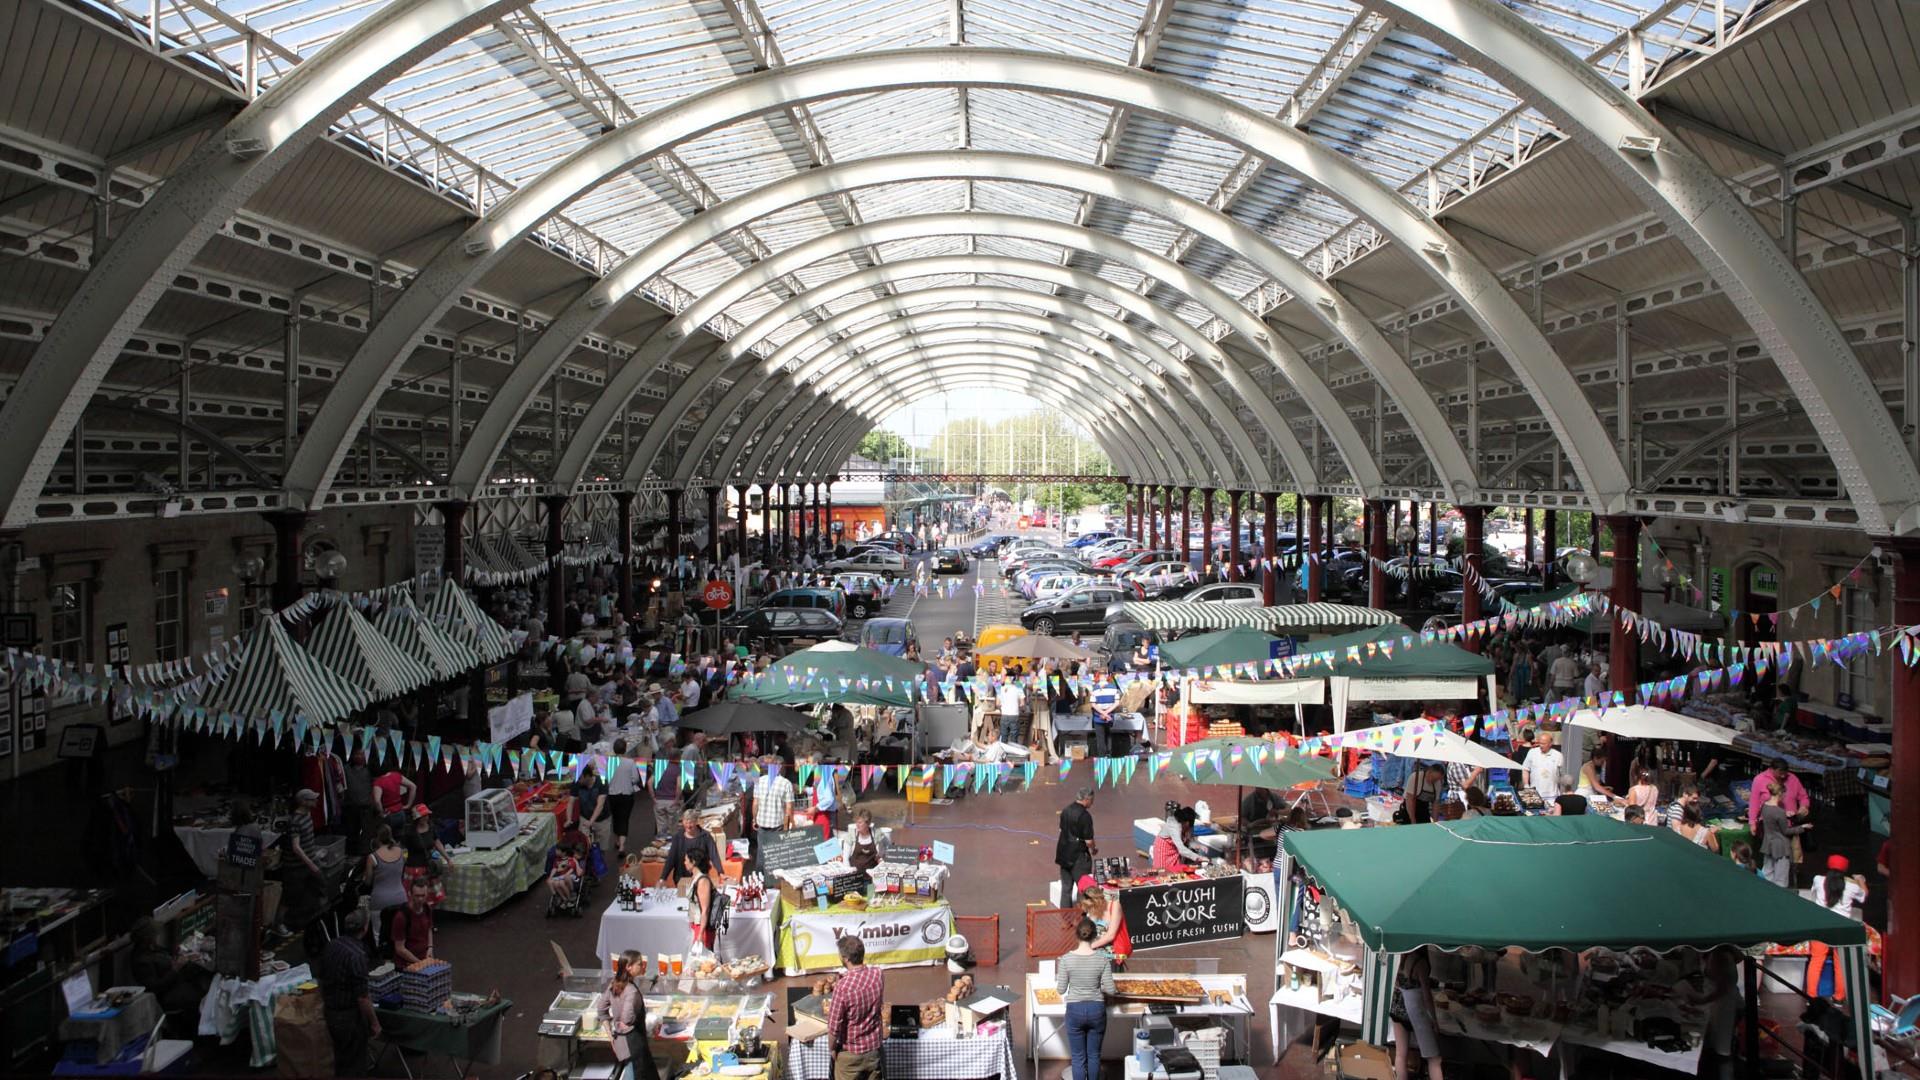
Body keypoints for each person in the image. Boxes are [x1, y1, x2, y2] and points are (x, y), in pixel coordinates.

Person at [315, 909, 378, 1076]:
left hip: (331, 1012)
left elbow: (320, 978)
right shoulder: (357, 955)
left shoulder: (332, 945)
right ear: (365, 929)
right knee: (354, 1065)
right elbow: (363, 997)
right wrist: (374, 1023)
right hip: (349, 1018)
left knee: (340, 1060)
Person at [1058, 917, 1116, 1080]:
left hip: (1074, 1010)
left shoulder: (1066, 959)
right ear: (1095, 936)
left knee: (1078, 1058)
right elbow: (1110, 989)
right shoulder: (1103, 959)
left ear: (1077, 936)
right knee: (1094, 1056)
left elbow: (1061, 989)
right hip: (1097, 1010)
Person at [1807, 855, 1868, 1001]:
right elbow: (1864, 896)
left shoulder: (1818, 879)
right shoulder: (1852, 886)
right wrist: (1860, 880)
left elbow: (1812, 893)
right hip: (1842, 928)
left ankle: (1811, 997)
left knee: (1816, 960)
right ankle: (1839, 997)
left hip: (1820, 926)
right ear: (1845, 870)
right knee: (1840, 963)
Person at [828, 936, 885, 1080]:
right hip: (873, 1051)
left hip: (850, 1055)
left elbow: (834, 1027)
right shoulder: (878, 974)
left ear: (845, 958)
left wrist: (832, 1048)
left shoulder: (843, 987)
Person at [1681, 946, 1742, 1080]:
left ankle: (1725, 1076)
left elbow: (1723, 988)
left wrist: (1700, 1001)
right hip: (1717, 1004)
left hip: (1725, 1006)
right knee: (1715, 1046)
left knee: (1723, 1050)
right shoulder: (1713, 953)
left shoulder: (1721, 956)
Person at [599, 951, 659, 1080]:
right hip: (633, 1044)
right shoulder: (631, 991)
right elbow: (627, 1018)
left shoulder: (614, 984)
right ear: (628, 967)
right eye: (640, 964)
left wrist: (611, 1034)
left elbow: (601, 1010)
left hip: (622, 1043)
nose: (643, 966)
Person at [1392, 947, 1445, 1080]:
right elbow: (1427, 997)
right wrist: (1434, 1020)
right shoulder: (1421, 963)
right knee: (1434, 1059)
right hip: (1415, 1010)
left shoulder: (1400, 957)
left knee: (1400, 1055)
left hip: (1398, 1007)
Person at [363, 825, 408, 947]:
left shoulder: (372, 857)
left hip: (380, 900)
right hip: (400, 897)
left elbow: (368, 881)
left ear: (377, 838)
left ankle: (382, 956)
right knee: (401, 930)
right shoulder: (401, 852)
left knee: (378, 932)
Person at [1758, 782, 1811, 886]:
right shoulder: (1779, 811)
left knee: (1767, 874)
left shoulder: (1764, 806)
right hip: (1781, 847)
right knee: (1781, 879)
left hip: (1768, 844)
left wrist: (1785, 816)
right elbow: (1786, 831)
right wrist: (1802, 827)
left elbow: (1772, 819)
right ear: (1780, 793)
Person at [750, 757, 795, 870]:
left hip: (762, 824)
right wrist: (787, 825)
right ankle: (773, 881)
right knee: (776, 854)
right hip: (778, 825)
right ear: (780, 767)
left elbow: (755, 803)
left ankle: (759, 880)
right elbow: (789, 808)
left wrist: (754, 819)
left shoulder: (759, 781)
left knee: (761, 852)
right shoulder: (786, 783)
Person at [1746, 758, 1809, 834]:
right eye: (1780, 773)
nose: (1783, 776)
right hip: (1770, 826)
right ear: (1772, 769)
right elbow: (1754, 802)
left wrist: (1804, 806)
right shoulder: (1759, 780)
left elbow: (1803, 797)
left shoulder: (1792, 778)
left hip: (1791, 824)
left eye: (1785, 773)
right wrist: (1752, 822)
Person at [1056, 787, 1096, 905]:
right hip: (1078, 857)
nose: (1092, 803)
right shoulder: (1085, 816)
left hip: (1063, 853)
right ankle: (1080, 917)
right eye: (1092, 800)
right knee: (1083, 888)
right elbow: (1089, 841)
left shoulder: (1066, 810)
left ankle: (1066, 919)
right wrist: (1093, 849)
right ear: (1086, 799)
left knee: (1066, 889)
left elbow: (1061, 829)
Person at [662, 810, 722, 888]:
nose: (688, 826)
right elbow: (671, 858)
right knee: (682, 898)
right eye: (686, 823)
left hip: (700, 878)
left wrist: (720, 872)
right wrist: (663, 878)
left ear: (696, 822)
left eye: (691, 823)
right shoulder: (678, 837)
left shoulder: (706, 836)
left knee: (699, 898)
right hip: (682, 878)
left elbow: (714, 855)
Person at [390, 878, 435, 966]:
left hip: (424, 958)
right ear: (410, 894)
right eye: (417, 896)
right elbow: (399, 949)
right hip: (407, 963)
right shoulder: (401, 917)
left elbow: (429, 928)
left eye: (423, 895)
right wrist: (419, 963)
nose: (420, 899)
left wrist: (430, 947)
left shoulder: (427, 908)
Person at [606, 739, 639, 857]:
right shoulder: (630, 762)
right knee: (624, 819)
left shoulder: (609, 762)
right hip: (627, 793)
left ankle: (616, 840)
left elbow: (606, 778)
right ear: (625, 749)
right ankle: (622, 846)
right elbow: (635, 779)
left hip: (612, 794)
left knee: (615, 817)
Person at [1151, 803, 1204, 870]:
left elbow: (1188, 841)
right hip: (1164, 848)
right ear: (1187, 823)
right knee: (1163, 871)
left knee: (1175, 871)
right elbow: (1182, 849)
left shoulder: (1185, 826)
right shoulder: (1174, 826)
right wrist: (1199, 858)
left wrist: (1198, 846)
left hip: (1175, 848)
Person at [684, 846, 717, 951]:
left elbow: (705, 909)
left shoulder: (703, 881)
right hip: (696, 924)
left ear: (693, 862)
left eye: (686, 860)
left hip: (703, 927)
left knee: (703, 961)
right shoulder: (695, 878)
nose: (684, 862)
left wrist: (701, 934)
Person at [1521, 731, 1564, 800]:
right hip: (1535, 795)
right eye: (1540, 743)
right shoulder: (1532, 752)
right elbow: (1525, 769)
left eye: (1543, 744)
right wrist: (1526, 785)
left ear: (1550, 744)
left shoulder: (1558, 755)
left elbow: (1562, 776)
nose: (1541, 745)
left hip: (1552, 796)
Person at [1087, 676, 1119, 759]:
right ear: (1106, 677)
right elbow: (1117, 703)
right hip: (1109, 715)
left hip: (1098, 716)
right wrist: (1107, 713)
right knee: (1108, 735)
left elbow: (1093, 704)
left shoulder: (1094, 688)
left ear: (1098, 677)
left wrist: (1102, 713)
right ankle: (1109, 754)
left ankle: (1102, 756)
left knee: (1100, 737)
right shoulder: (1113, 688)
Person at [548, 842, 585, 913]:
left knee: (566, 877)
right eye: (575, 854)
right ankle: (563, 898)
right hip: (564, 879)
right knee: (557, 882)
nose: (576, 856)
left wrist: (576, 862)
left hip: (574, 881)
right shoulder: (569, 859)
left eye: (579, 855)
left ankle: (571, 894)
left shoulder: (582, 862)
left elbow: (579, 873)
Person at [995, 677, 1026, 747]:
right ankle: (1013, 756)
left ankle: (1003, 755)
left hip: (1004, 715)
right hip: (1014, 715)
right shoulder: (1018, 688)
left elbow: (997, 703)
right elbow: (1022, 704)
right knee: (1014, 739)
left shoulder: (1000, 689)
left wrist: (1003, 707)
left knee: (1004, 737)